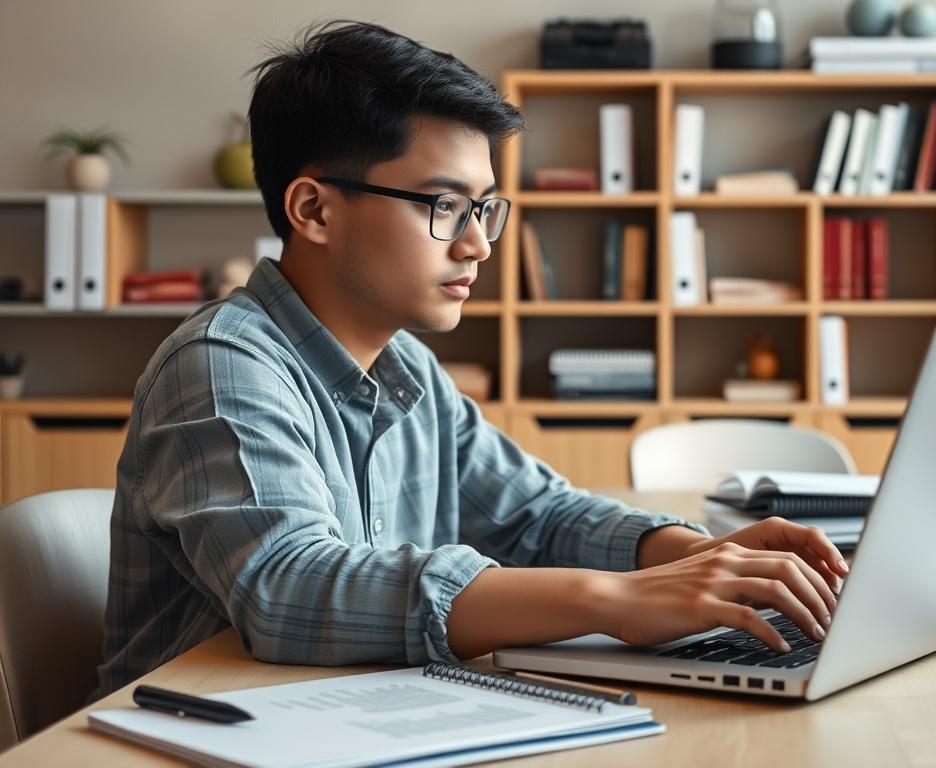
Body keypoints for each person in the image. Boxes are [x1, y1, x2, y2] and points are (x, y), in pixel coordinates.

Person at [95, 20, 846, 698]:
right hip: (201, 739)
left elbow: (536, 517)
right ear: (313, 210)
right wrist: (615, 601)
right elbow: (290, 590)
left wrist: (694, 556)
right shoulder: (222, 364)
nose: (479, 243)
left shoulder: (409, 368)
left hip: (356, 720)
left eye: (484, 207)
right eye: (444, 205)